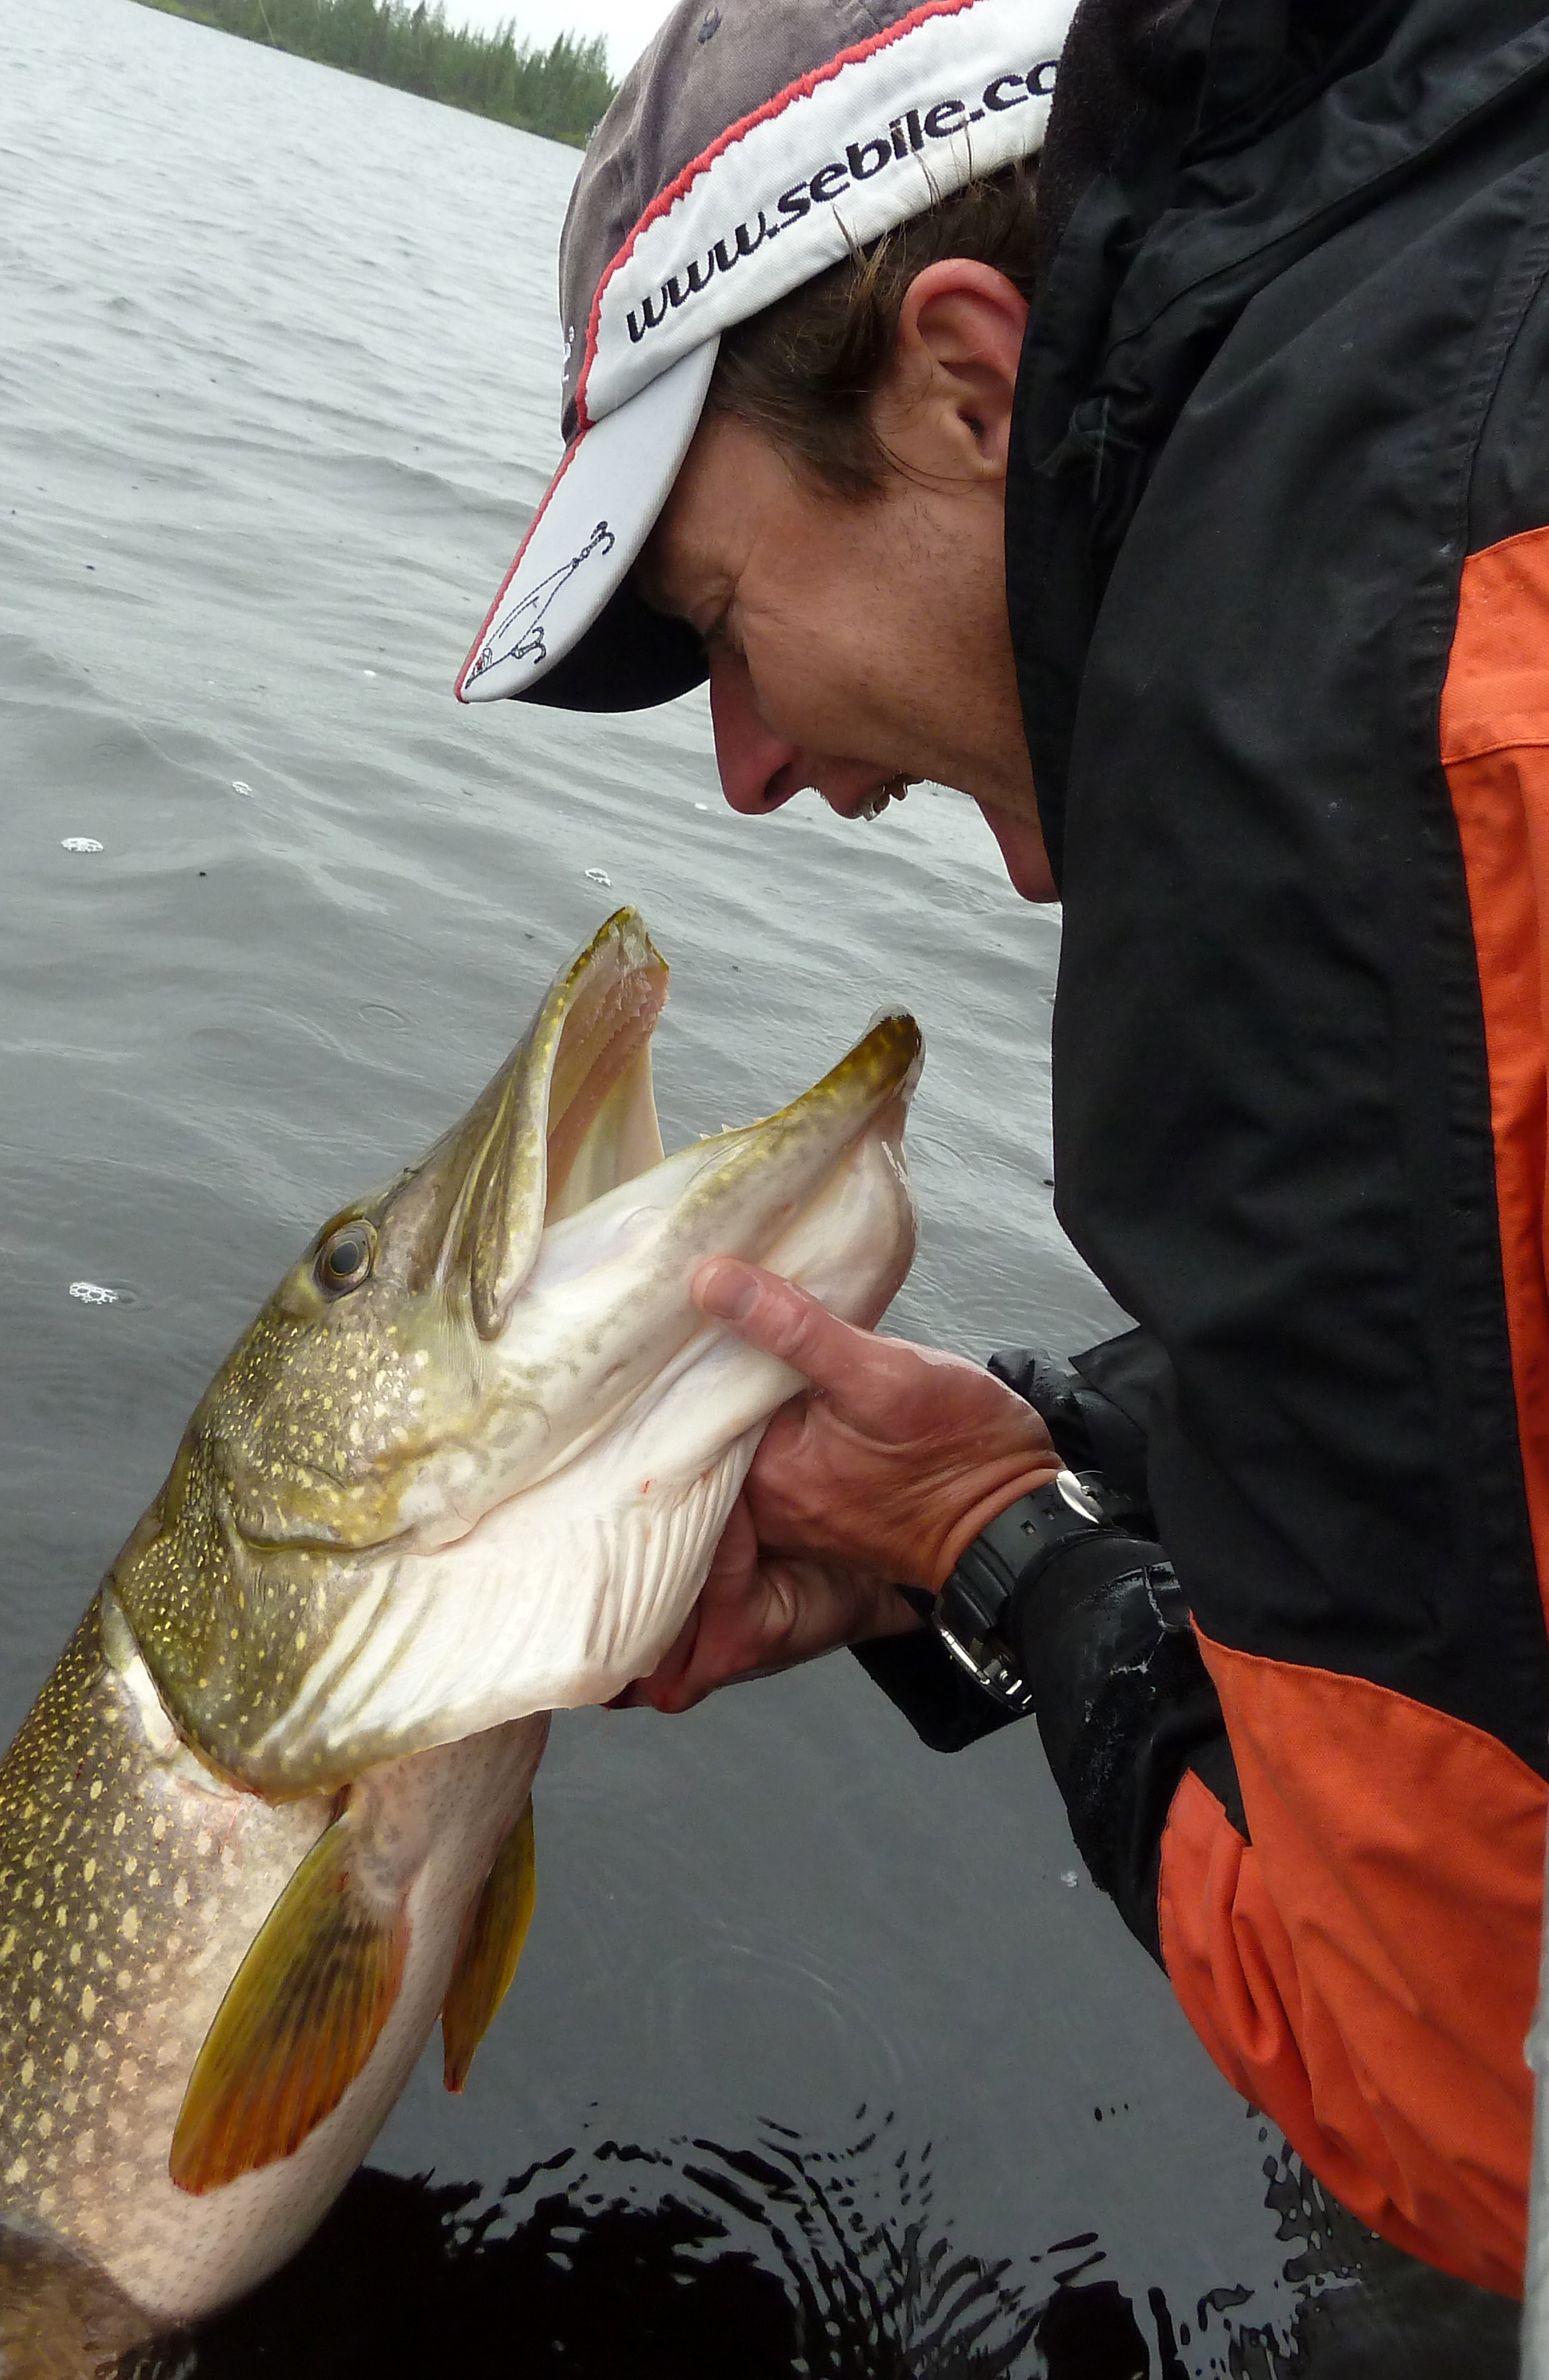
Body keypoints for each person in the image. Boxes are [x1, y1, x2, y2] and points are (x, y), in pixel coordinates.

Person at [456, 0, 1549, 2308]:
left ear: (969, 379)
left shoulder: (1315, 761)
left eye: (723, 623)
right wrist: (1045, 1448)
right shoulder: (1449, 314)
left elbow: (1472, 2098)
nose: (747, 766)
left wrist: (1001, 1554)